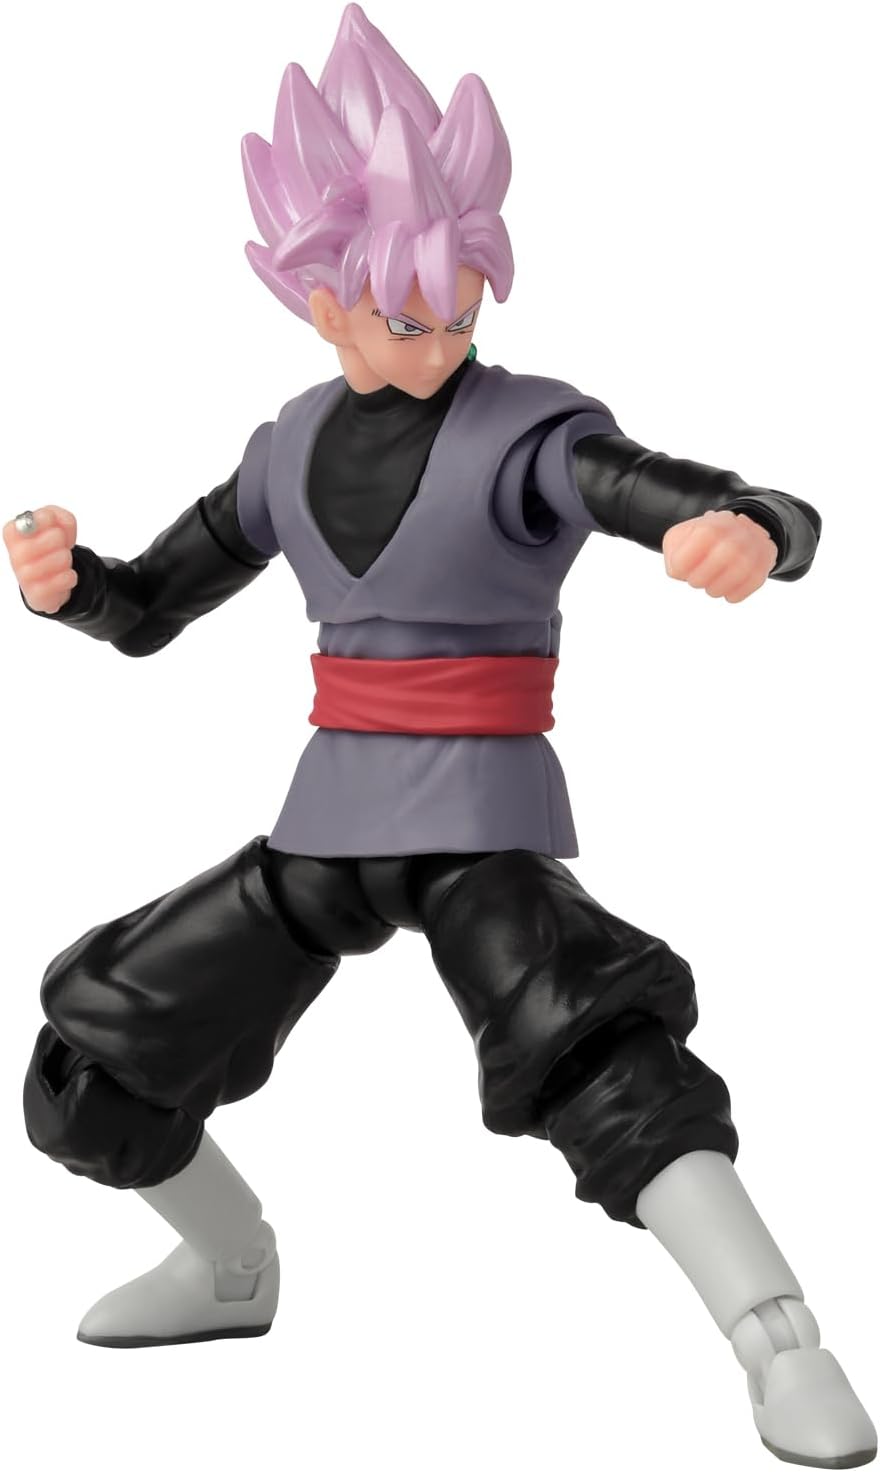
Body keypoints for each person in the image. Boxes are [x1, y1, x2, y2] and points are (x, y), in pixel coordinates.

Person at [5, 6, 875, 1466]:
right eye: (408, 316)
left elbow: (683, 490)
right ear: (320, 303)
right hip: (328, 827)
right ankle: (228, 1266)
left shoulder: (528, 434)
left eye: (465, 306)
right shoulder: (285, 448)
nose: (447, 334)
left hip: (478, 823)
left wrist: (751, 528)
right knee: (97, 1052)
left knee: (602, 1054)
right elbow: (153, 604)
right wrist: (72, 586)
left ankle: (780, 1341)